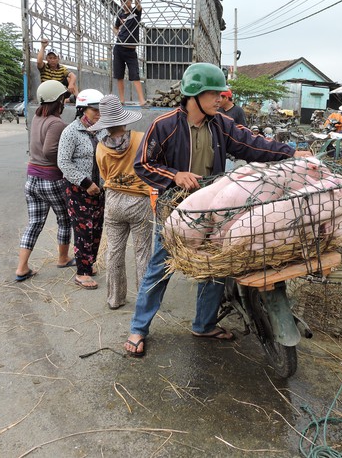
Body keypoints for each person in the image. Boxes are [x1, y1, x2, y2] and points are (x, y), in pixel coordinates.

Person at [124, 62, 311, 357]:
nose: (220, 99)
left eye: (220, 94)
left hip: (211, 212)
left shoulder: (221, 125)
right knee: (159, 270)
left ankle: (204, 324)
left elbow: (252, 144)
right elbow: (143, 164)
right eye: (213, 93)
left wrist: (290, 153)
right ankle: (138, 328)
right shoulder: (166, 125)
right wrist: (174, 176)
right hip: (176, 213)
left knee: (215, 270)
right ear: (194, 94)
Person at [93, 95, 152, 309]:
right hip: (139, 201)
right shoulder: (140, 139)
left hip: (114, 201)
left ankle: (115, 298)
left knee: (115, 251)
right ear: (123, 119)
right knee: (142, 251)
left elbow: (104, 175)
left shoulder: (101, 147)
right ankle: (145, 301)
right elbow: (149, 167)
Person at [15, 80, 73, 282]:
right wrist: (65, 159)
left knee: (34, 223)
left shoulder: (37, 118)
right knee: (64, 219)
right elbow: (50, 151)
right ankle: (63, 258)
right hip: (51, 180)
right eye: (63, 98)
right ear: (58, 100)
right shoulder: (56, 123)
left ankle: (22, 268)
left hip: (32, 178)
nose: (65, 101)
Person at [57, 88, 107, 289]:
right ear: (82, 109)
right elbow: (63, 163)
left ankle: (88, 262)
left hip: (100, 189)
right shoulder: (71, 132)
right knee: (83, 228)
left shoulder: (102, 130)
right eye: (94, 110)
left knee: (96, 228)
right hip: (79, 189)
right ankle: (82, 272)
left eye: (100, 110)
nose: (98, 113)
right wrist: (87, 183)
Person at [113, 0, 146, 106]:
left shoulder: (135, 12)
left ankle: (142, 100)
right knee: (119, 75)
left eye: (126, 0)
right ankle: (121, 100)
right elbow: (115, 27)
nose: (123, 3)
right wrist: (118, 33)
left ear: (130, 0)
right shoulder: (120, 15)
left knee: (135, 76)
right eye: (121, 0)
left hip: (131, 50)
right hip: (119, 48)